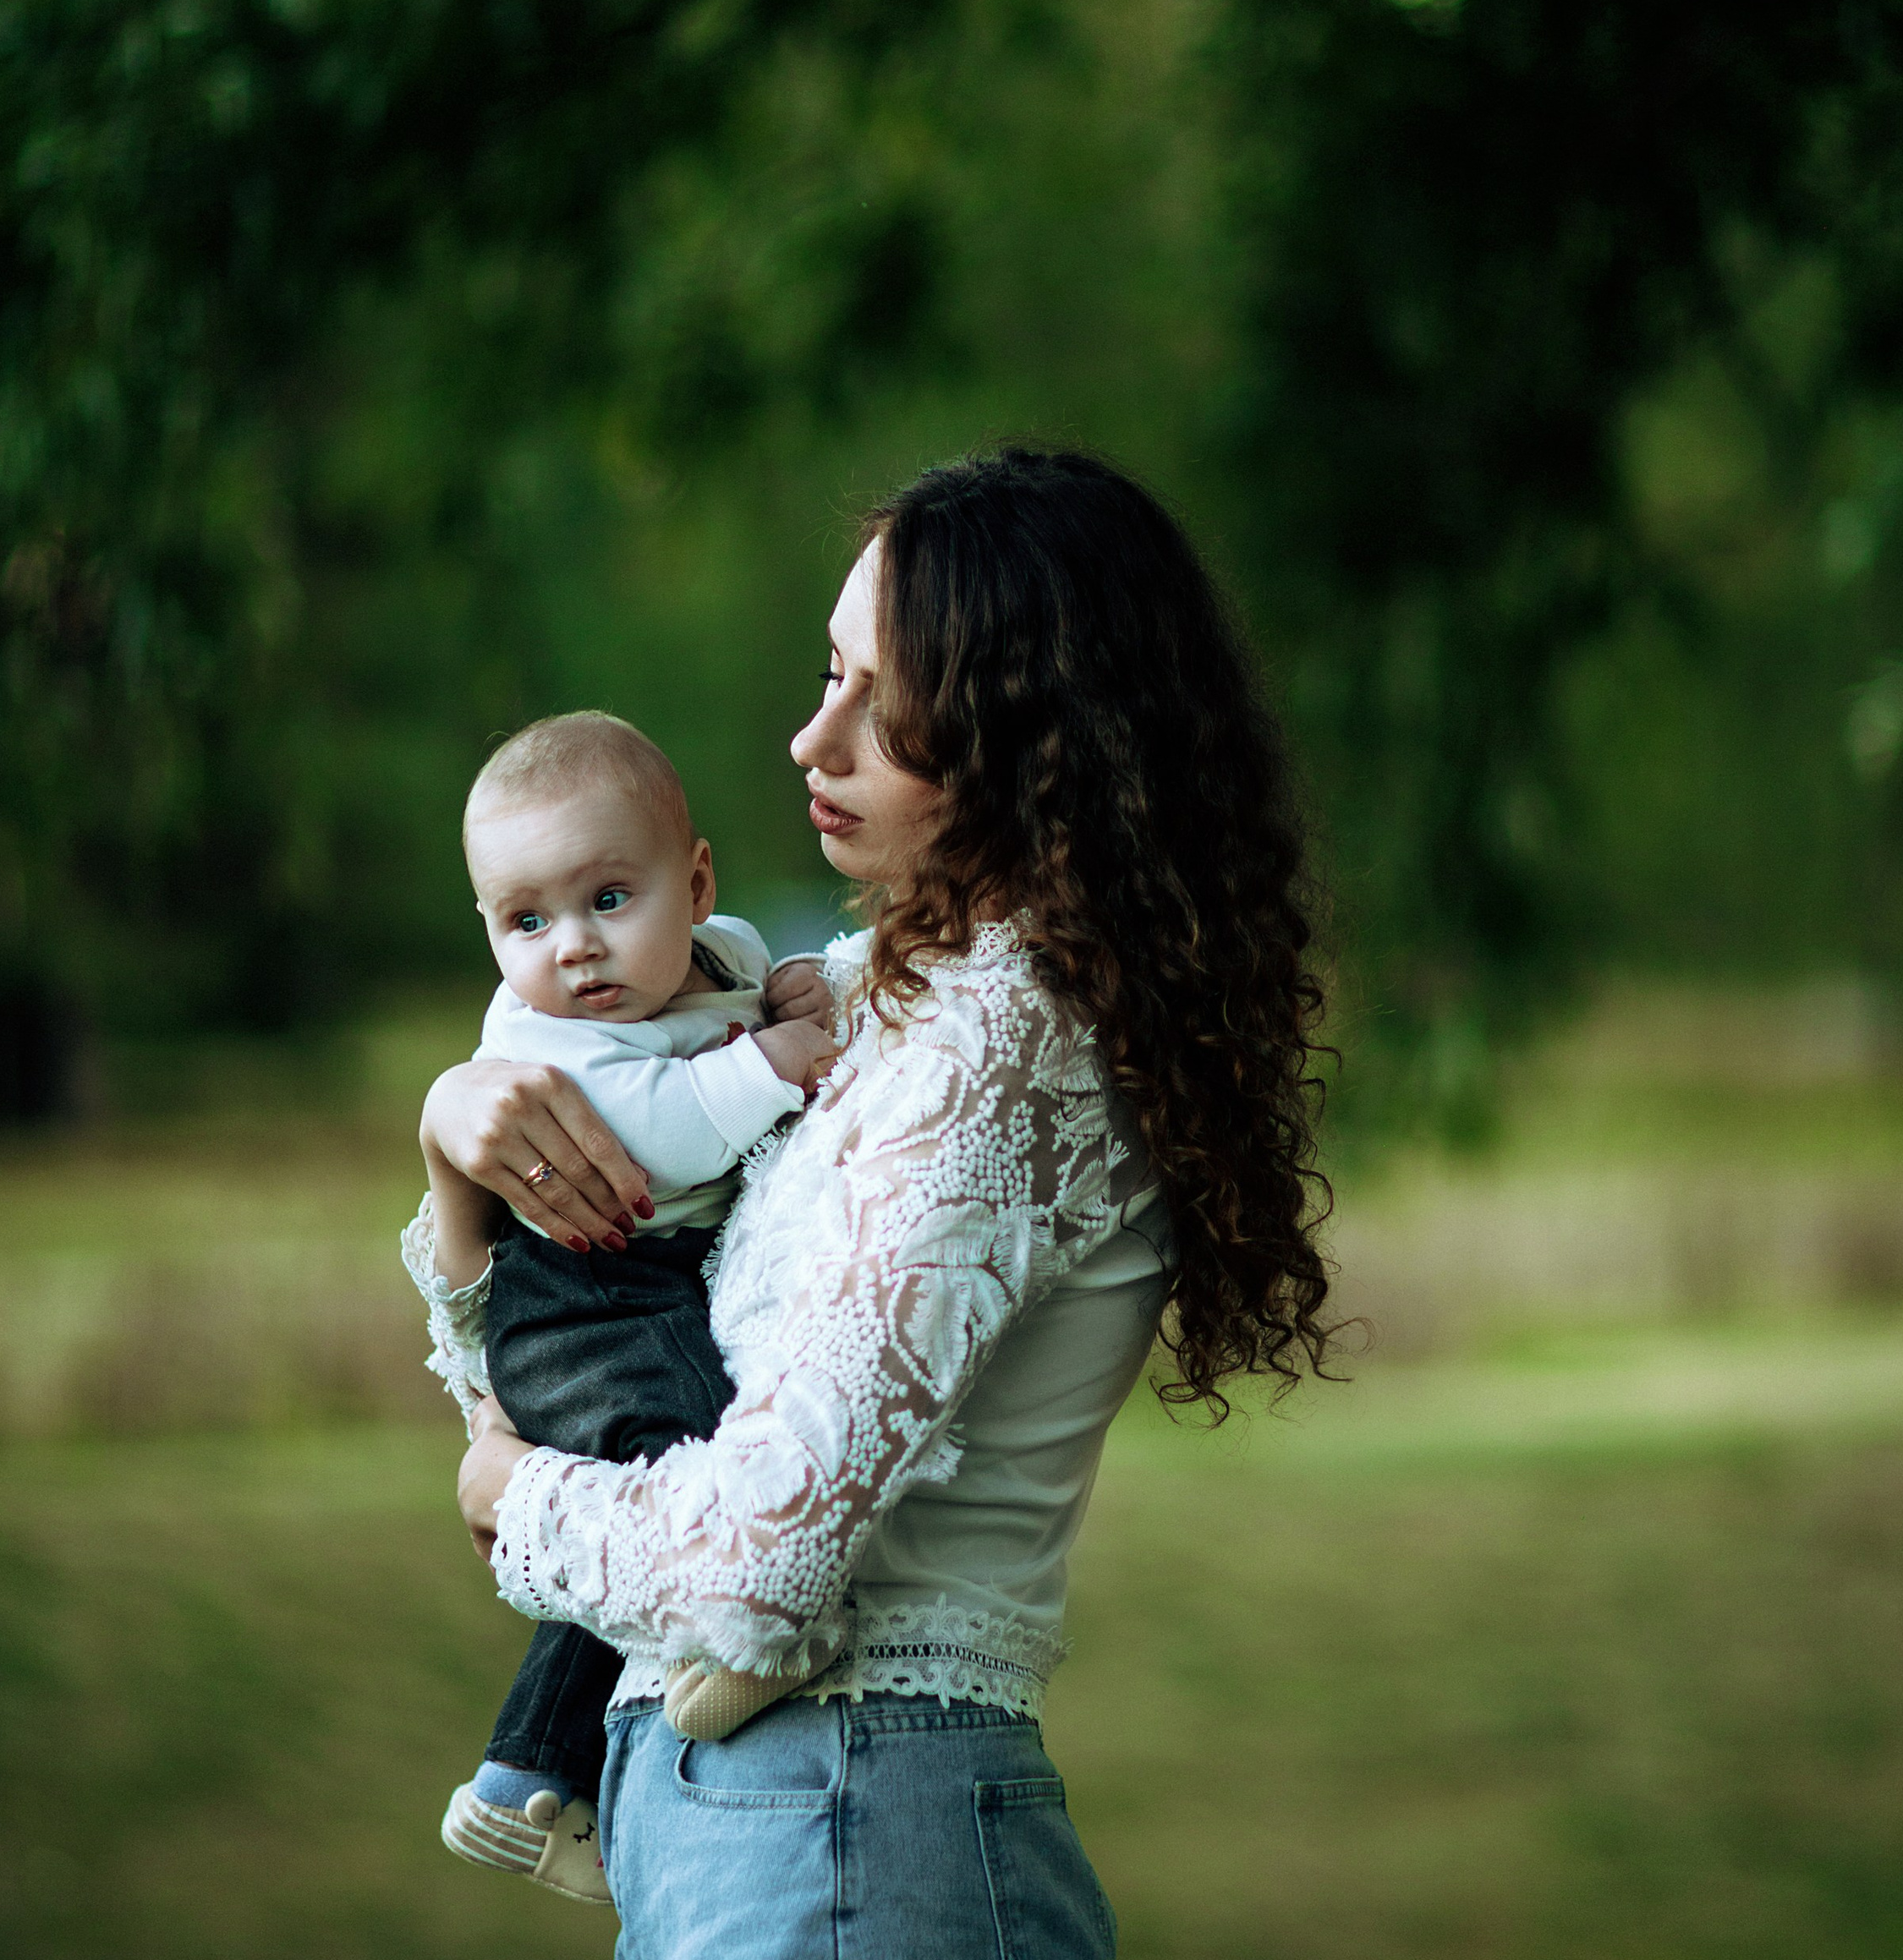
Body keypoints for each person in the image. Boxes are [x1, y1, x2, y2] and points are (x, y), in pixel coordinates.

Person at [409, 447, 1335, 1957]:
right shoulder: (880, 997)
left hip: (840, 1827)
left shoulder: (996, 1044)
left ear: (1023, 734)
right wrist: (459, 1145)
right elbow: (571, 1342)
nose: (810, 737)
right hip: (768, 1828)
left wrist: (517, 1501)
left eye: (879, 701)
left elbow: (760, 1561)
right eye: (826, 674)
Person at [416, 711, 841, 1902]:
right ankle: (745, 1631)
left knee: (655, 1479)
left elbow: (759, 981)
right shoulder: (546, 1040)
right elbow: (665, 1135)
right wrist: (779, 1059)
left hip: (642, 1285)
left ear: (695, 886)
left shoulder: (723, 952)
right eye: (526, 922)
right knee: (695, 1447)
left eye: (610, 899)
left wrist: (791, 989)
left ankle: (525, 1777)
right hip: (582, 1299)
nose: (575, 950)